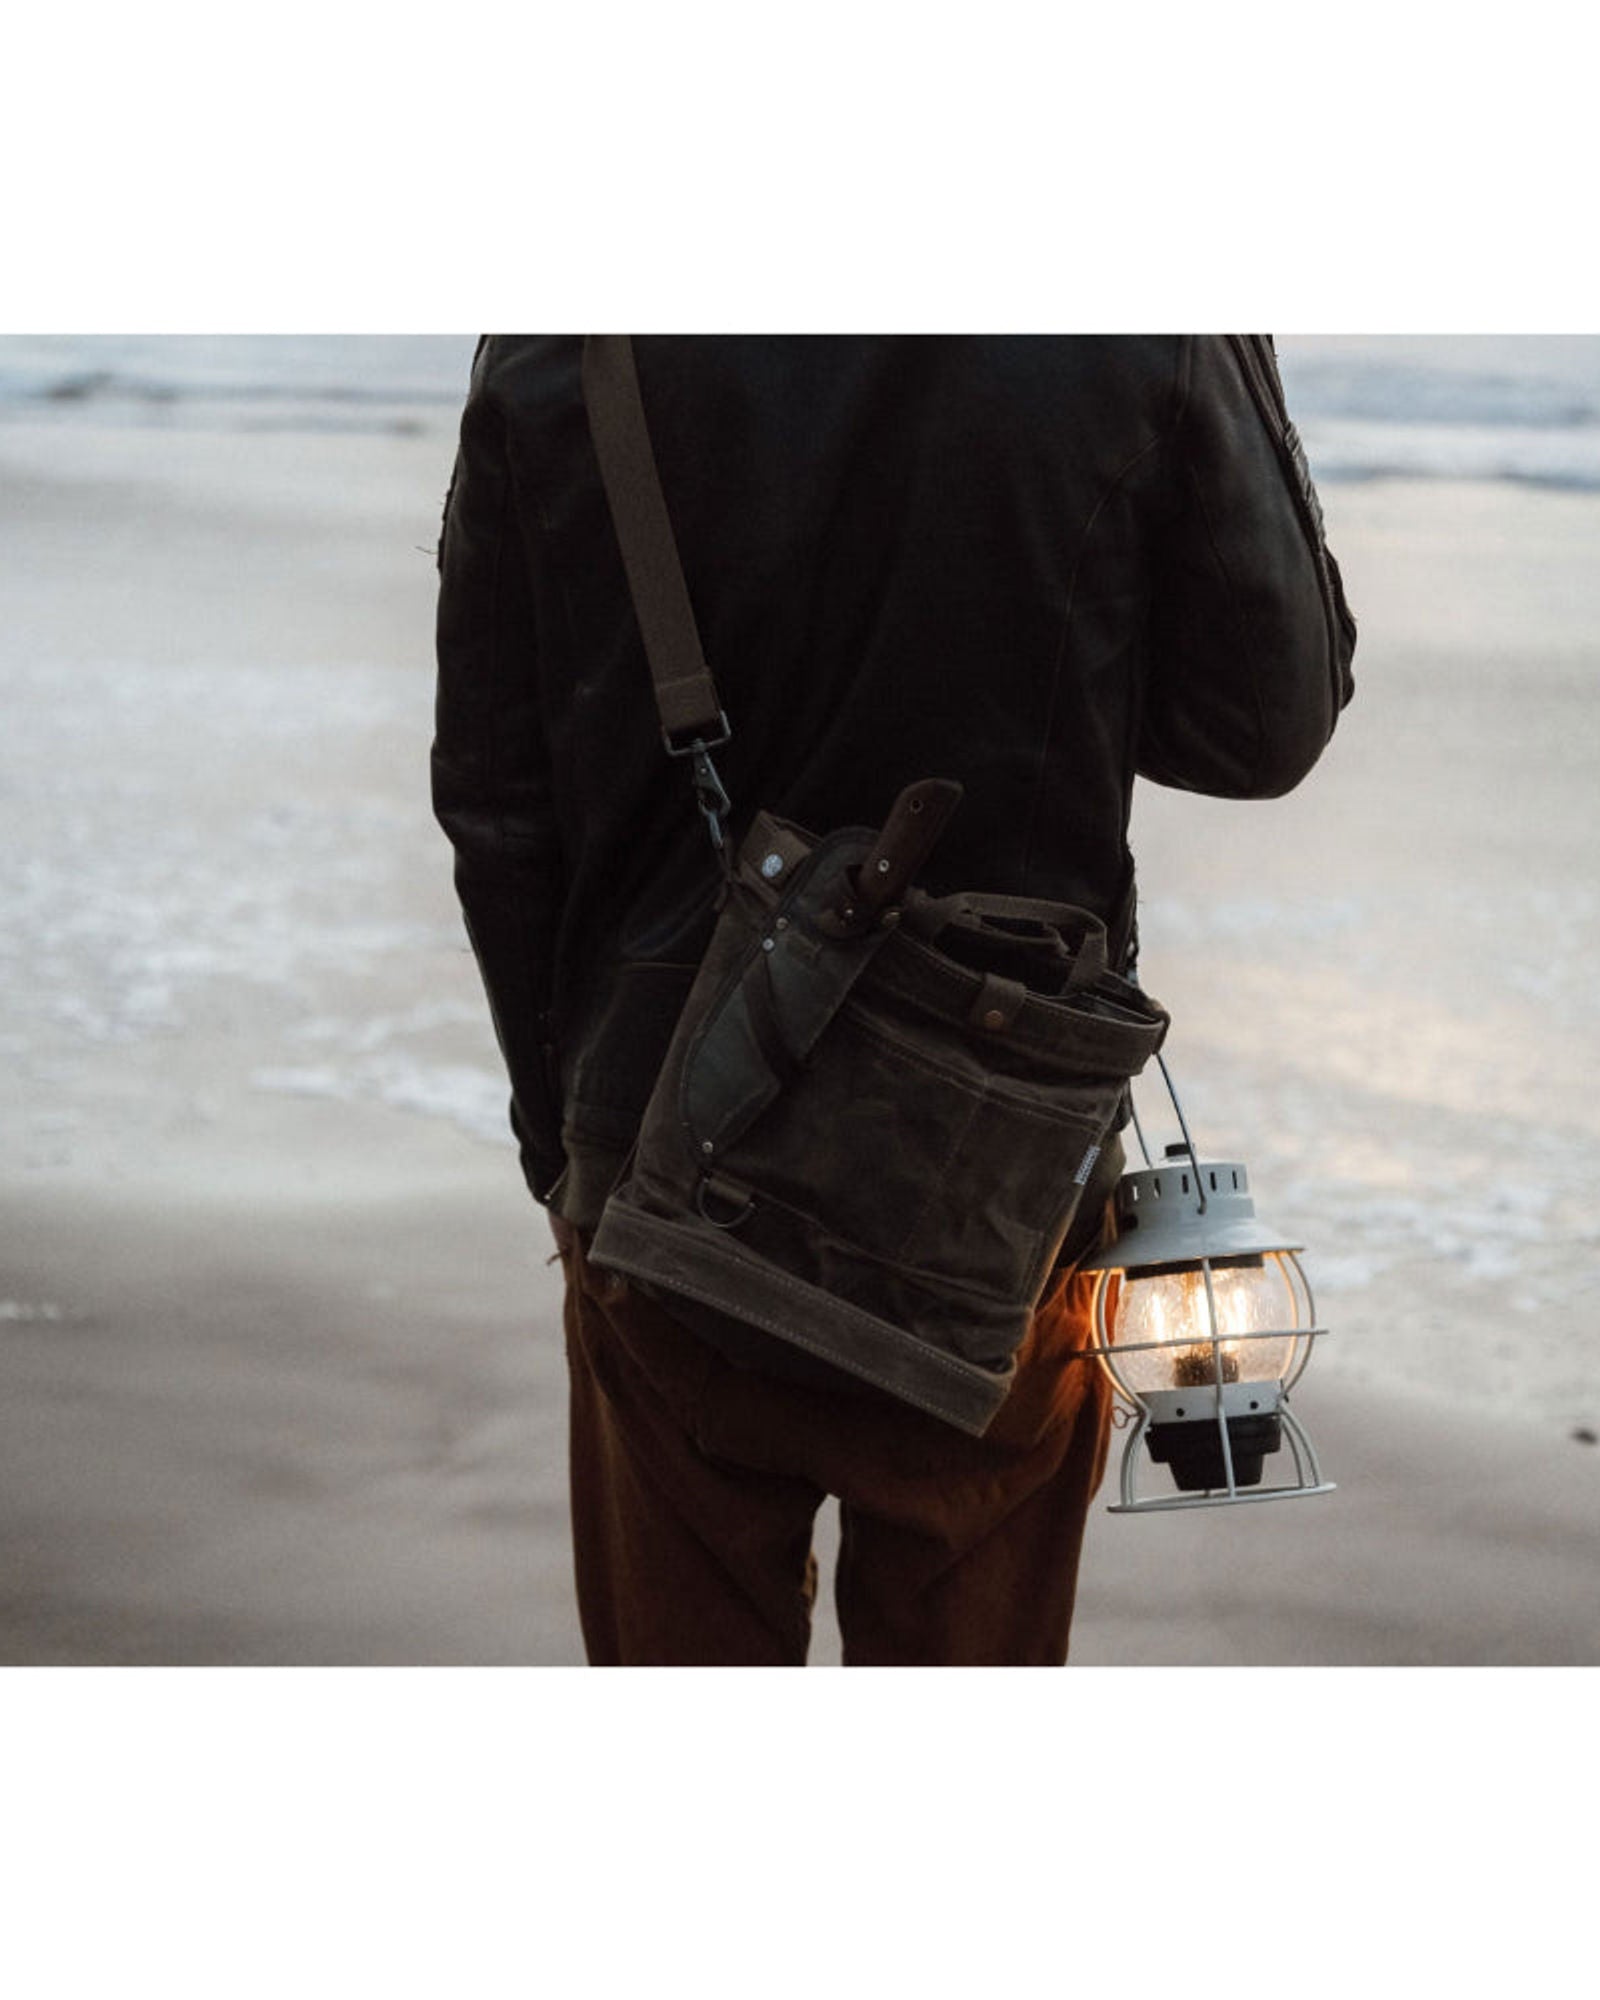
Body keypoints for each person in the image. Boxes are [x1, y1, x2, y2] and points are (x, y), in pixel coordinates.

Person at [432, 335, 1356, 1666]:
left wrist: (566, 1152)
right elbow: (1264, 728)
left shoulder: (565, 335)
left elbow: (498, 806)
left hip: (656, 1146)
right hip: (993, 1169)